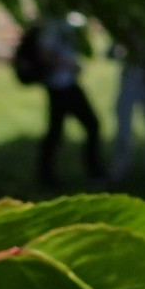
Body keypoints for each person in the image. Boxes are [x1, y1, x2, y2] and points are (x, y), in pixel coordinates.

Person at [34, 15, 103, 188]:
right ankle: (47, 175)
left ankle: (92, 170)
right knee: (57, 132)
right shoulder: (52, 25)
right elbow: (44, 55)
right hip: (59, 87)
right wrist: (68, 64)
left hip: (70, 84)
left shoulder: (69, 21)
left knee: (90, 125)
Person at [109, 38, 145, 183]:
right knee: (124, 128)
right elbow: (110, 53)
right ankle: (121, 166)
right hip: (129, 83)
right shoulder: (124, 33)